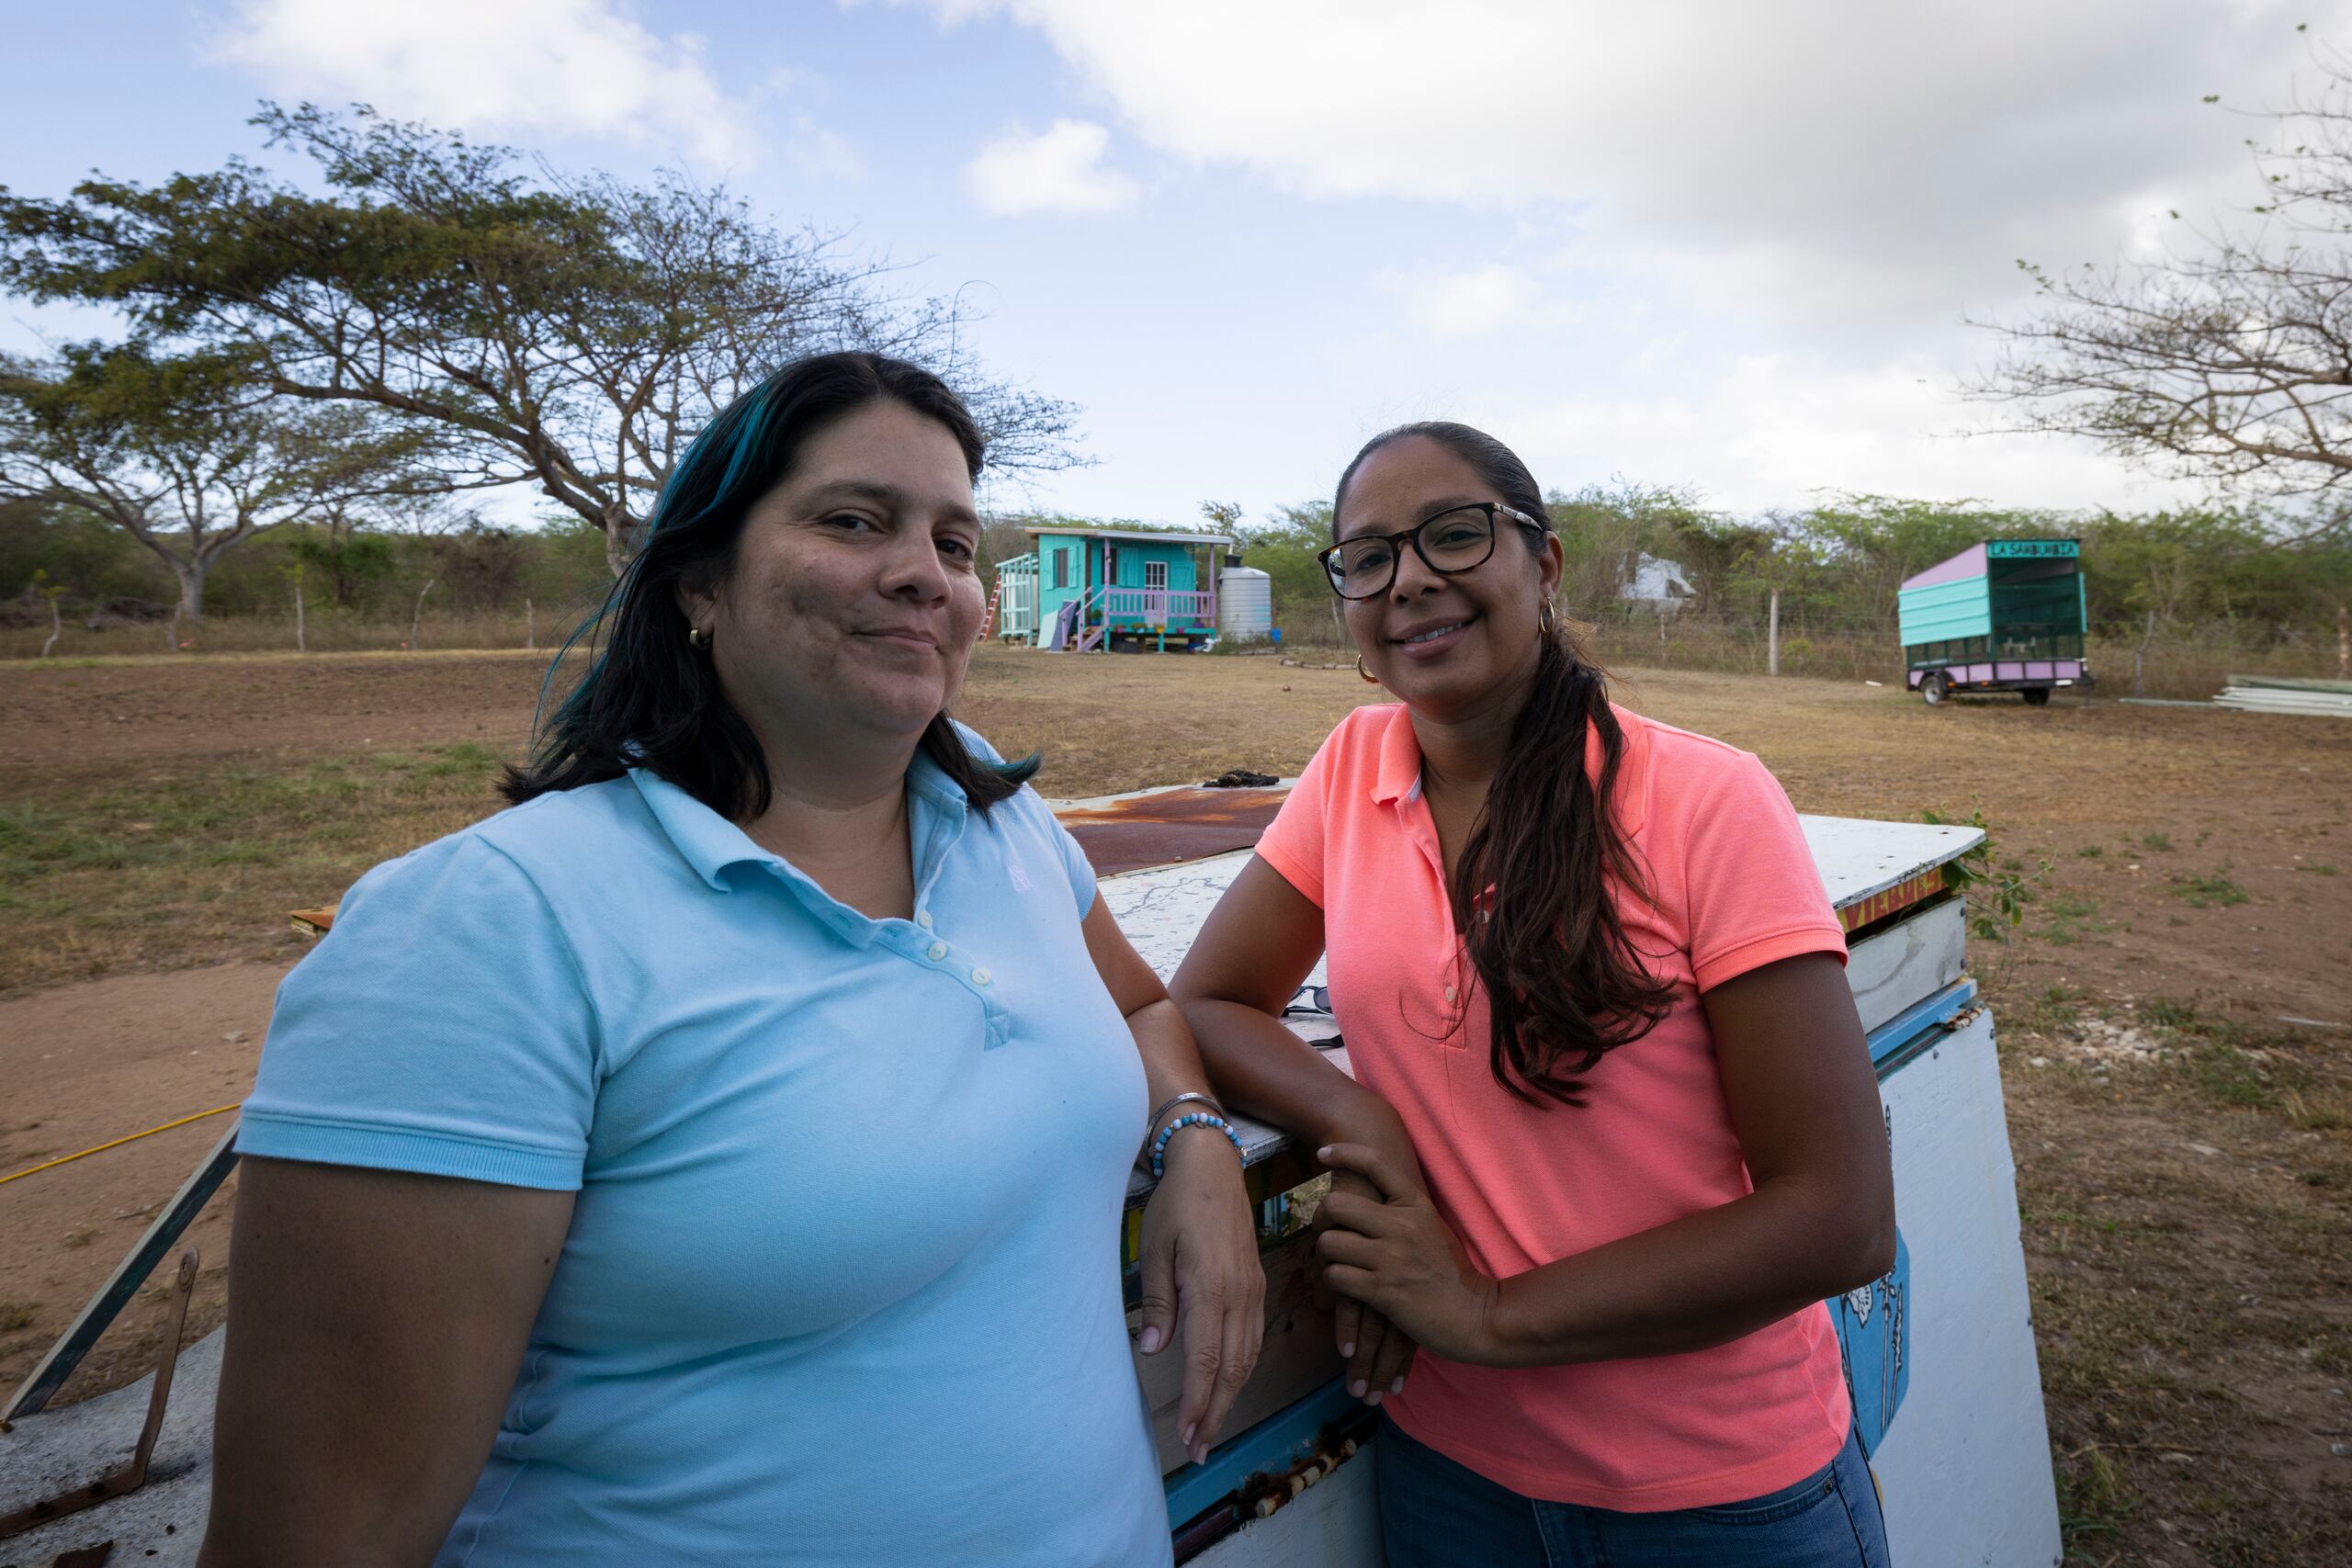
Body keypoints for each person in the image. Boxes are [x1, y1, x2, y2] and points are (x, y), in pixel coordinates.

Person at [199, 353, 1263, 1567]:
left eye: (956, 543)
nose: (924, 572)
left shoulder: (992, 811)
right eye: (855, 519)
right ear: (701, 580)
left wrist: (1196, 1139)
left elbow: (1136, 1004)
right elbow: (323, 1532)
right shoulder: (490, 930)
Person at [1170, 422, 1895, 1566]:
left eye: (1453, 535)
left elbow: (1837, 1217)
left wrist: (1486, 1316)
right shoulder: (1355, 767)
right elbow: (1207, 1001)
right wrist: (1365, 1123)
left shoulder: (1706, 800)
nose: (1409, 579)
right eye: (1367, 558)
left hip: (1716, 1497)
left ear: (1542, 565)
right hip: (1450, 1473)